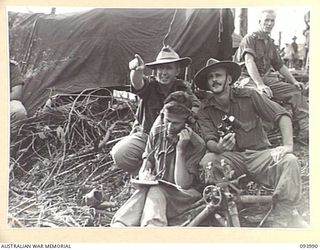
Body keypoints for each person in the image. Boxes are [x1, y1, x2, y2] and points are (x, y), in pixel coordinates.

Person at [194, 58, 303, 228]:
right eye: (210, 77)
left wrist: (288, 146)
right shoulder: (204, 109)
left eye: (218, 75)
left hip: (259, 156)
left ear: (229, 79)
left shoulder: (250, 96)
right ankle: (227, 208)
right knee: (208, 161)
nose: (214, 80)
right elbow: (210, 142)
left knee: (290, 161)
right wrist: (219, 147)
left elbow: (282, 115)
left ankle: (282, 218)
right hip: (230, 159)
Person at [111, 91, 205, 227]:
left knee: (156, 189)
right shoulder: (157, 132)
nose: (169, 127)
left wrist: (180, 150)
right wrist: (145, 174)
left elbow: (183, 184)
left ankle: (153, 227)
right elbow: (148, 161)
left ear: (187, 122)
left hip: (184, 197)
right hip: (158, 193)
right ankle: (121, 225)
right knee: (145, 188)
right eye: (167, 120)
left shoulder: (197, 144)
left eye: (176, 123)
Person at [111, 45, 200, 174]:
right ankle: (144, 174)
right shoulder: (150, 85)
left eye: (169, 68)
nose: (163, 72)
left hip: (172, 138)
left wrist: (185, 124)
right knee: (120, 154)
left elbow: (196, 107)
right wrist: (137, 71)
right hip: (147, 136)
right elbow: (138, 84)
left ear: (177, 71)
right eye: (160, 68)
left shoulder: (183, 89)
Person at [234, 9, 308, 143]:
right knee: (261, 95)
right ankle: (263, 136)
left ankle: (305, 130)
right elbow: (249, 61)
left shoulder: (270, 43)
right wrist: (260, 84)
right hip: (245, 78)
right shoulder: (250, 39)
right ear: (260, 22)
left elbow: (279, 65)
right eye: (266, 20)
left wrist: (293, 81)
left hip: (264, 78)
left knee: (295, 91)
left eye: (272, 20)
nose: (269, 23)